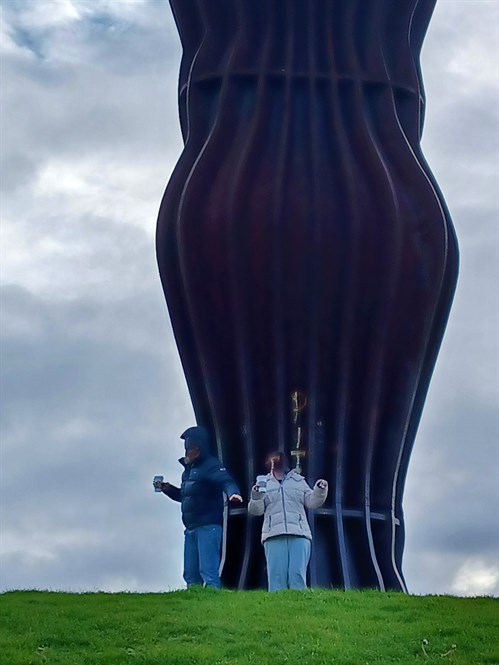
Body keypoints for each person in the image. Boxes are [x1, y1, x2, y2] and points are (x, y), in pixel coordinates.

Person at [154, 426, 243, 588]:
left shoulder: (211, 465)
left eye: (189, 449)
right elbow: (186, 496)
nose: (186, 453)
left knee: (208, 572)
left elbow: (226, 481)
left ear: (198, 449)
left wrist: (233, 493)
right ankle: (194, 603)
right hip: (191, 528)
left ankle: (213, 602)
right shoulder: (188, 472)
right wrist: (168, 490)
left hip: (208, 527)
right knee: (190, 573)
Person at [248, 451, 328, 591]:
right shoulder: (264, 483)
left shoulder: (298, 481)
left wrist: (320, 490)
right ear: (268, 464)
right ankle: (278, 609)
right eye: (272, 460)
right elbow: (257, 511)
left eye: (278, 460)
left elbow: (311, 502)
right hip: (273, 535)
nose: (276, 463)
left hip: (299, 533)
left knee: (297, 574)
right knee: (276, 577)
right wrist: (256, 496)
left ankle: (299, 609)